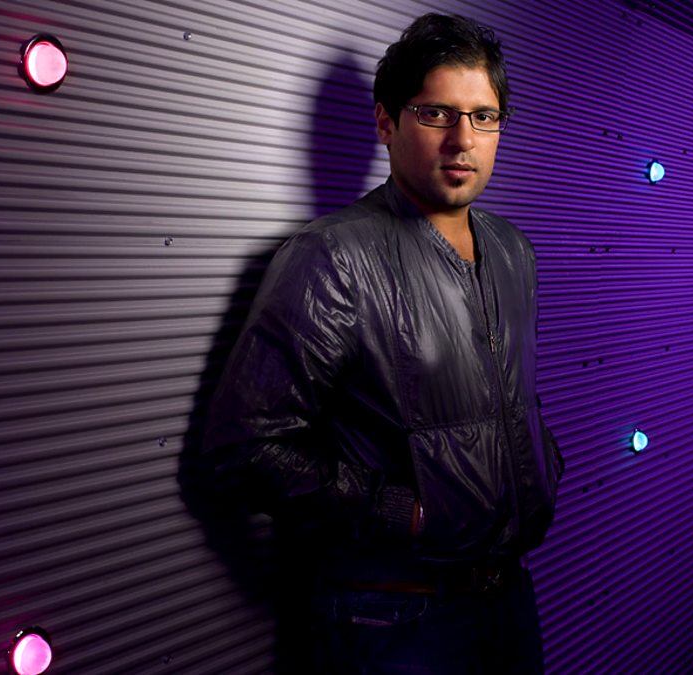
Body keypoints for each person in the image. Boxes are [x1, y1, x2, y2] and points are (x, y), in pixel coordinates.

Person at [200, 13, 563, 674]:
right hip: (396, 617)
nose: (463, 139)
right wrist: (404, 511)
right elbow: (242, 450)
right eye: (436, 113)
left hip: (508, 595)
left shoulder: (514, 251)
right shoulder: (332, 257)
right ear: (386, 124)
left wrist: (541, 464)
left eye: (484, 116)